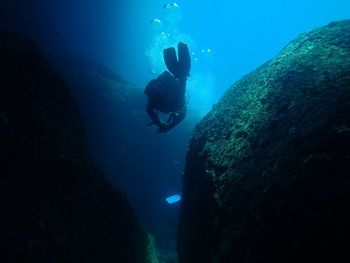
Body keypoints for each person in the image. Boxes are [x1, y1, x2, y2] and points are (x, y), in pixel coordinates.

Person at [145, 42, 191, 133]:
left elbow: (148, 109)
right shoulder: (177, 105)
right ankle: (181, 73)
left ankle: (182, 74)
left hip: (164, 99)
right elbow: (182, 115)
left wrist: (162, 124)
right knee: (182, 78)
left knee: (182, 77)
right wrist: (168, 126)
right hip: (170, 102)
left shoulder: (159, 102)